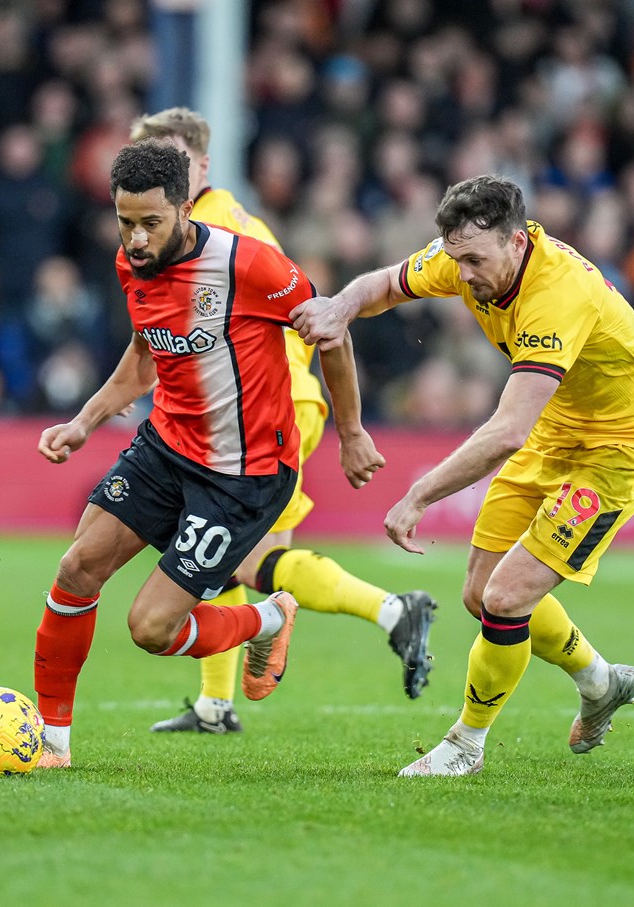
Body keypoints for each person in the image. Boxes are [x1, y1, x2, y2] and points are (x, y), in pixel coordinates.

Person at [292, 175, 634, 777]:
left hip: (620, 444)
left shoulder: (558, 294)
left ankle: (465, 745)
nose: (464, 274)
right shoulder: (463, 256)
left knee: (505, 596)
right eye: (456, 258)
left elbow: (506, 431)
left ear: (518, 242)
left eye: (475, 259)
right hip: (558, 425)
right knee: (481, 594)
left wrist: (418, 495)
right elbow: (384, 285)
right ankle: (600, 683)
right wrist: (340, 306)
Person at [31, 139, 382, 768]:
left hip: (243, 477)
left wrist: (352, 432)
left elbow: (331, 329)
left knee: (151, 630)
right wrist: (85, 421)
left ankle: (267, 620)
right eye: (125, 223)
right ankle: (51, 740)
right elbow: (145, 358)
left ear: (185, 207)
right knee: (76, 569)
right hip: (166, 448)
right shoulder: (128, 264)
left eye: (150, 224)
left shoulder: (250, 266)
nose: (135, 240)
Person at [129, 107, 438, 735]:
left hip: (265, 402)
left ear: (200, 165)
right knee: (227, 550)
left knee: (232, 556)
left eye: (170, 161)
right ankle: (217, 705)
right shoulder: (243, 218)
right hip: (265, 396)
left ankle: (393, 611)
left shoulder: (200, 228)